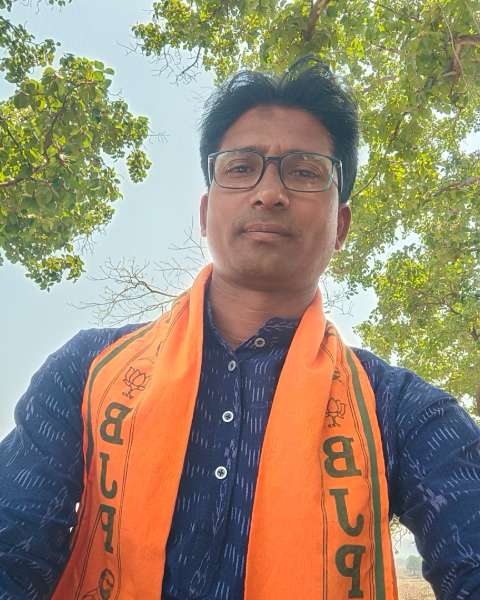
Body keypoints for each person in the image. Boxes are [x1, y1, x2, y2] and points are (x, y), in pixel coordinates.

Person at [1, 57, 480, 600]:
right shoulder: (89, 371)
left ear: (341, 225)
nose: (269, 193)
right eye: (240, 167)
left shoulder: (400, 411)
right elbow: (12, 546)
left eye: (304, 171)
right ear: (206, 213)